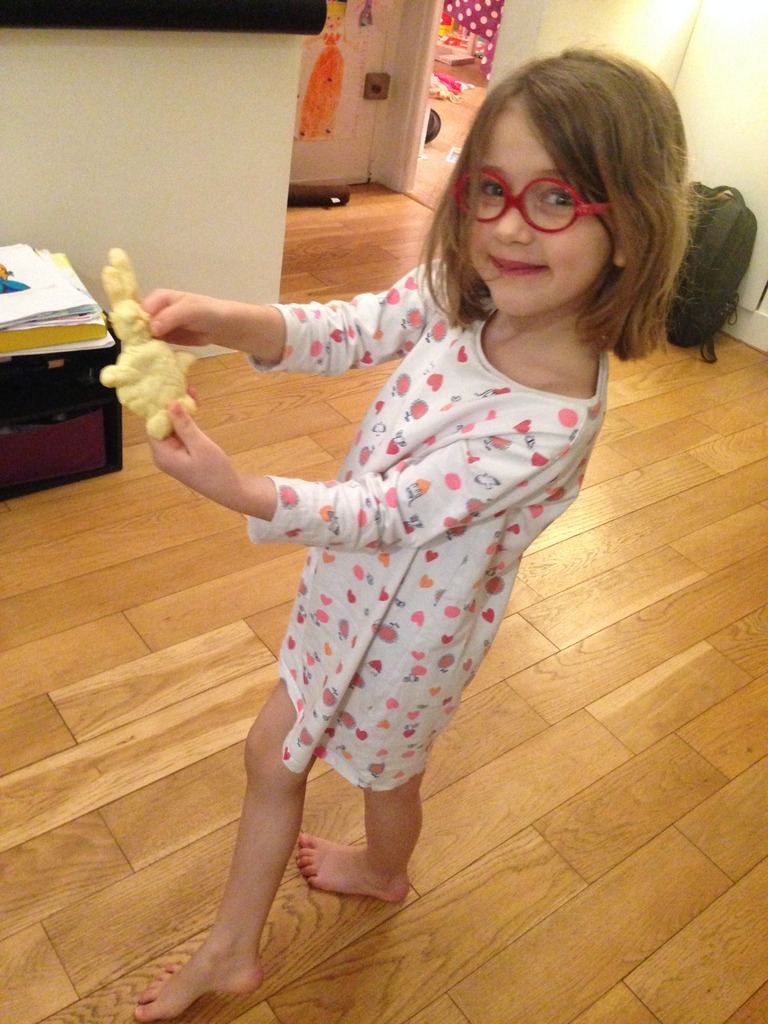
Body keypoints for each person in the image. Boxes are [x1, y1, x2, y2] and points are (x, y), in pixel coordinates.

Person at [133, 47, 689, 1021]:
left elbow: (391, 512)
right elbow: (355, 327)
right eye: (491, 190)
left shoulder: (551, 423)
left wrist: (242, 488)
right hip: (346, 591)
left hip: (414, 643)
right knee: (276, 755)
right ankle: (233, 949)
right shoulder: (464, 294)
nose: (508, 227)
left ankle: (382, 873)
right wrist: (232, 320)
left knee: (387, 775)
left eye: (555, 199)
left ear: (632, 228)